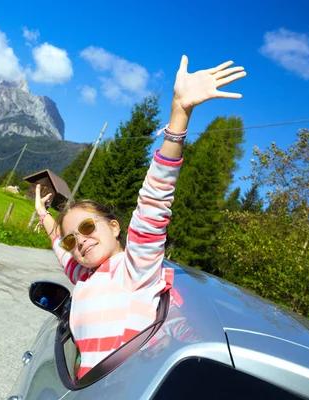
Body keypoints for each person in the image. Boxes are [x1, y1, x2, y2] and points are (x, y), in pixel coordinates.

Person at [34, 55, 246, 379]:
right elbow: (60, 246)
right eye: (72, 238)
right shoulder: (84, 275)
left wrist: (179, 115)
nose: (80, 241)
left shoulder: (134, 269)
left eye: (88, 227)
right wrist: (44, 215)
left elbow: (153, 203)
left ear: (114, 227)